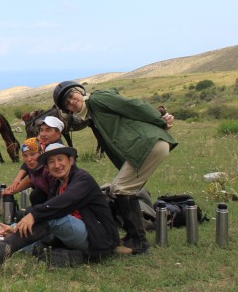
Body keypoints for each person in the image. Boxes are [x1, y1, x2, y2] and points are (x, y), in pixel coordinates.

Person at [53, 81, 177, 255]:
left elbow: (133, 106)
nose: (72, 102)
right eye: (67, 103)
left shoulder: (97, 99)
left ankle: (138, 242)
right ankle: (133, 237)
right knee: (123, 189)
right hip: (144, 146)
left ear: (79, 92)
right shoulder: (92, 115)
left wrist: (160, 121)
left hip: (148, 143)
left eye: (71, 96)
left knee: (120, 189)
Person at [0, 143, 120, 273]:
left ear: (71, 160)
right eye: (51, 162)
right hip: (76, 232)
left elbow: (63, 203)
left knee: (49, 217)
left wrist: (34, 214)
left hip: (97, 237)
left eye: (60, 159)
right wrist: (15, 227)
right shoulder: (59, 183)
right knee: (29, 241)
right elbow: (51, 208)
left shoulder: (82, 179)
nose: (56, 165)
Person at [5, 116, 65, 204]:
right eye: (41, 130)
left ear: (59, 133)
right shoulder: (43, 145)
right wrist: (17, 180)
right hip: (49, 192)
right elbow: (28, 165)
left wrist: (13, 190)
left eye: (48, 130)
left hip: (59, 197)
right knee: (36, 195)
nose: (43, 134)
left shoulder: (56, 152)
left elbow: (35, 177)